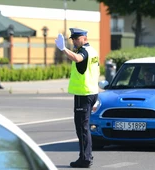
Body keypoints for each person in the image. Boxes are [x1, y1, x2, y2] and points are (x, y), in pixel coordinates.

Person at [55, 28, 99, 168]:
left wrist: (63, 49)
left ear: (84, 38)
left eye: (76, 38)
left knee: (82, 128)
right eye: (72, 39)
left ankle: (85, 159)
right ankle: (86, 156)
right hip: (91, 92)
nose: (74, 41)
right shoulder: (93, 51)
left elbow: (77, 58)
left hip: (83, 94)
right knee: (84, 127)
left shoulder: (84, 51)